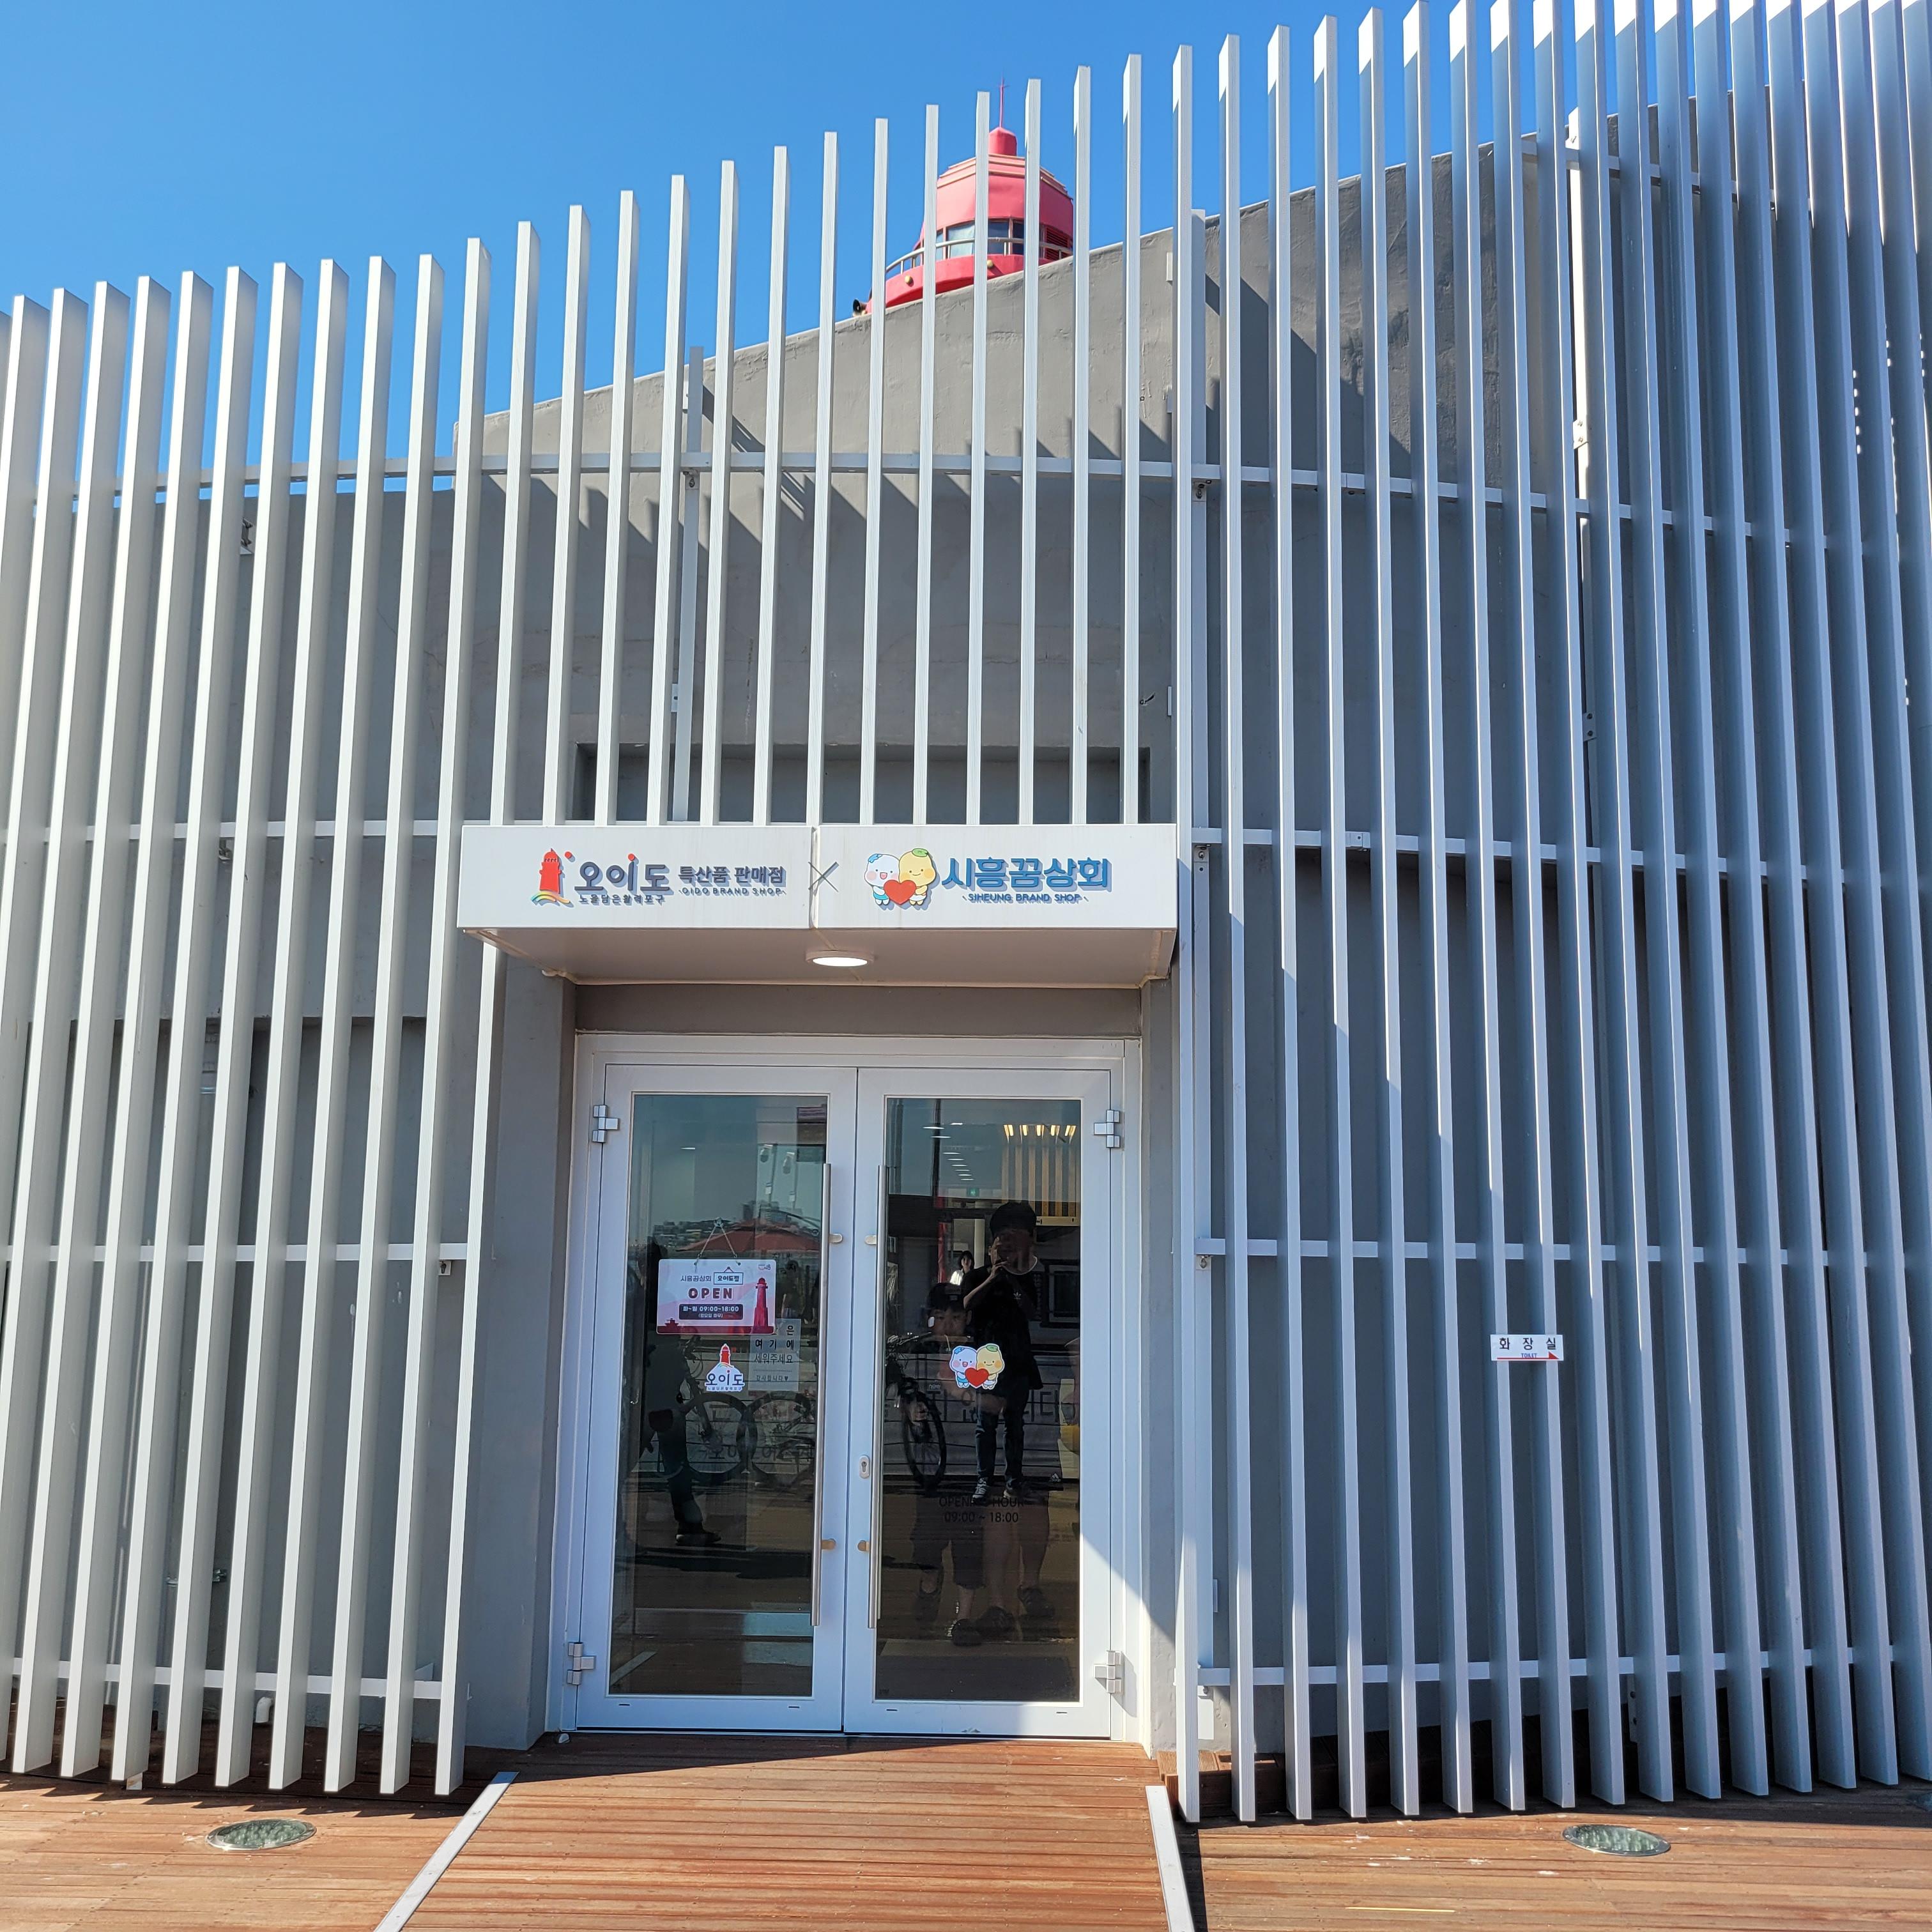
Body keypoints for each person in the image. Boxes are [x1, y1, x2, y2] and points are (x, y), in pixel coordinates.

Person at [962, 1201, 1045, 1506]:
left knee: (1015, 1425)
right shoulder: (976, 1277)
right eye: (1000, 1246)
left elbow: (1033, 1313)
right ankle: (984, 1479)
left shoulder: (1024, 1276)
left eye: (1010, 1246)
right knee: (985, 1425)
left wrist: (1011, 1279)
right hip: (985, 1363)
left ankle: (1014, 1481)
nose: (1004, 1251)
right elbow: (965, 1306)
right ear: (990, 1250)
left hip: (1018, 1361)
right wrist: (992, 1278)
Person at [640, 1330, 721, 1547]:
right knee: (678, 1471)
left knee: (623, 1470)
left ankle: (618, 1530)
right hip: (667, 1415)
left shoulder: (645, 1350)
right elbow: (688, 1392)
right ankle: (689, 1526)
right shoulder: (671, 1355)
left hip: (647, 1413)